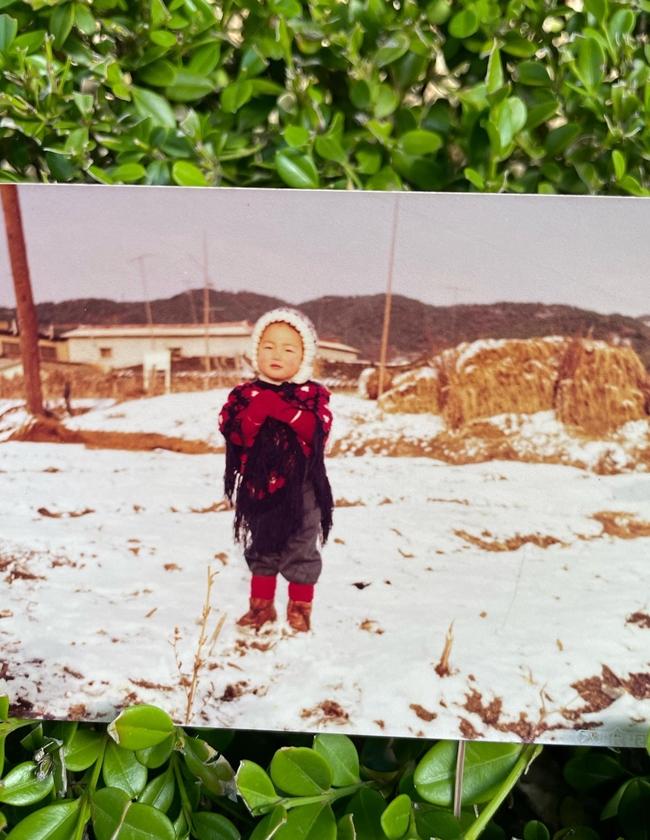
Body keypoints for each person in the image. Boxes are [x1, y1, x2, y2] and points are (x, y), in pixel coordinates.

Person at [218, 307, 334, 632]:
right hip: (259, 488)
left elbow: (316, 432)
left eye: (288, 348)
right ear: (256, 350)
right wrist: (254, 415)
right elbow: (234, 432)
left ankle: (300, 608)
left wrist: (281, 410)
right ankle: (261, 607)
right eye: (268, 346)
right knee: (262, 545)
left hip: (302, 489)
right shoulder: (244, 395)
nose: (277, 354)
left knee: (301, 545)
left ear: (304, 356)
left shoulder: (311, 396)